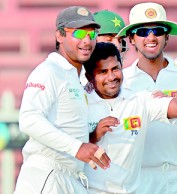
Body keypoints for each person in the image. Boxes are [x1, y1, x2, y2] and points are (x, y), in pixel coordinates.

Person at [117, 2, 177, 194]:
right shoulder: (121, 81)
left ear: (167, 36)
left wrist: (173, 109)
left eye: (158, 31)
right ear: (131, 38)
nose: (151, 37)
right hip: (140, 179)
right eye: (142, 32)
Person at [14, 6, 110, 194]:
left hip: (70, 177)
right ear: (59, 35)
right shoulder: (48, 71)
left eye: (92, 34)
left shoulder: (76, 77)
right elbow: (28, 120)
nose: (87, 40)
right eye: (79, 33)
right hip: (47, 174)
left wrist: (91, 139)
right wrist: (77, 147)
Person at [82, 41, 177, 193]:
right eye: (103, 72)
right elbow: (63, 146)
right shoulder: (80, 105)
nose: (111, 77)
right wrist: (93, 136)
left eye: (115, 69)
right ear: (89, 76)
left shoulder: (139, 100)